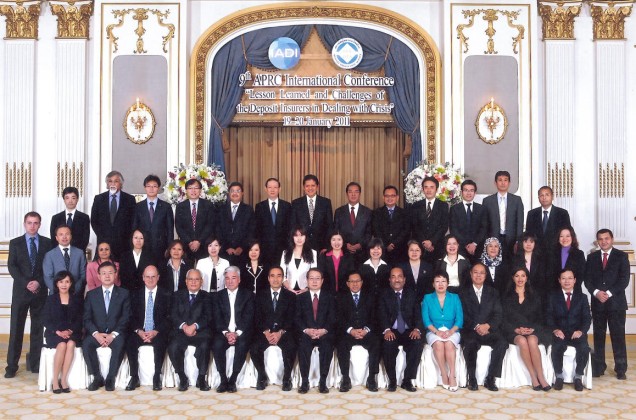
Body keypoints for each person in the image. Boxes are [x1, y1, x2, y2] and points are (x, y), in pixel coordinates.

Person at [6, 212, 51, 378]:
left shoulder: (47, 243)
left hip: (40, 292)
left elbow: (48, 266)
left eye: (36, 223)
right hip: (21, 292)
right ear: (24, 224)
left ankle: (36, 363)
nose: (32, 226)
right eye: (29, 223)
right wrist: (26, 282)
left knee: (37, 330)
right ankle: (11, 366)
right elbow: (12, 266)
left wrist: (38, 282)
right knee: (16, 329)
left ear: (40, 224)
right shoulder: (15, 243)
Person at [584, 228, 630, 380]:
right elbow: (587, 280)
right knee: (598, 336)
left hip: (616, 304)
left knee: (618, 337)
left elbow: (624, 280)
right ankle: (599, 366)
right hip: (598, 303)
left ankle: (621, 368)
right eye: (600, 239)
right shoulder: (591, 257)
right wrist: (596, 292)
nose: (603, 241)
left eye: (606, 238)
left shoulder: (621, 256)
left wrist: (608, 293)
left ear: (612, 239)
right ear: (597, 241)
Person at [83, 261, 131, 391]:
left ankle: (111, 377)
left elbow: (125, 317)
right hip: (97, 333)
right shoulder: (91, 295)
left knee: (120, 343)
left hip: (115, 334)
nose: (107, 276)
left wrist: (113, 335)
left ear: (115, 274)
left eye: (110, 273)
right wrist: (96, 334)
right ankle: (97, 377)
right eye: (104, 273)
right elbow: (86, 318)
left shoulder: (124, 294)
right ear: (98, 276)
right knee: (87, 344)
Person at [502, 267, 552, 391]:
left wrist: (532, 329)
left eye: (523, 276)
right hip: (513, 331)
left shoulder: (535, 295)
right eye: (517, 276)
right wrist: (516, 330)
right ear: (513, 278)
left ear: (527, 278)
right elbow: (503, 319)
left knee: (532, 341)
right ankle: (533, 377)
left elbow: (541, 318)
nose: (520, 279)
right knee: (522, 341)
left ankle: (541, 377)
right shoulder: (506, 296)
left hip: (532, 330)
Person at [459, 263, 507, 392]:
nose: (478, 275)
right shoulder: (462, 292)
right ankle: (472, 378)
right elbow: (462, 314)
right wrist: (476, 326)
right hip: (471, 330)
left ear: (486, 275)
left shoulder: (493, 292)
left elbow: (498, 313)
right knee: (470, 344)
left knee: (502, 343)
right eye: (475, 272)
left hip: (488, 329)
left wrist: (488, 326)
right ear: (471, 274)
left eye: (482, 273)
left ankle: (490, 378)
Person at [125, 265, 172, 391]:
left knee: (161, 342)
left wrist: (156, 331)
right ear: (143, 278)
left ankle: (157, 376)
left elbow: (169, 317)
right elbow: (130, 316)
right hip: (140, 331)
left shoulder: (166, 294)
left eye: (153, 277)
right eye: (147, 277)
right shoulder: (135, 294)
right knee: (129, 342)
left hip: (157, 332)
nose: (150, 279)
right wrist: (139, 331)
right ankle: (134, 377)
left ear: (158, 278)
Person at [378, 267, 425, 392]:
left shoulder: (412, 294)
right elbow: (381, 315)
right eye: (393, 276)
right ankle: (392, 381)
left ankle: (407, 380)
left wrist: (417, 329)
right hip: (392, 330)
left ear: (404, 279)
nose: (396, 279)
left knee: (417, 343)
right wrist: (386, 330)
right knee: (388, 344)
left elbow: (418, 314)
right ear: (389, 280)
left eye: (399, 276)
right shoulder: (384, 294)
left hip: (408, 330)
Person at [251, 266, 297, 391]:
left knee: (291, 346)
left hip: (283, 332)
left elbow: (292, 319)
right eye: (272, 276)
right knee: (254, 348)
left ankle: (286, 378)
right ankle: (262, 376)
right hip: (265, 332)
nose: (275, 279)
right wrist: (266, 332)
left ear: (283, 278)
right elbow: (257, 317)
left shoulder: (290, 296)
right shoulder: (260, 295)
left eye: (279, 276)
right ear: (268, 278)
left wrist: (280, 333)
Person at [546, 269, 591, 392]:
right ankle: (559, 376)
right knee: (557, 347)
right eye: (564, 278)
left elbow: (587, 318)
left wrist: (581, 331)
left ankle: (578, 377)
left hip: (576, 332)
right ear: (559, 280)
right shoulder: (553, 296)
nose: (567, 281)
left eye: (570, 278)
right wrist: (555, 330)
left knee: (584, 348)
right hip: (560, 332)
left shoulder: (582, 297)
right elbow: (548, 316)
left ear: (575, 280)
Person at [168, 269, 213, 391]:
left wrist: (195, 326)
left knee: (205, 346)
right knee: (173, 347)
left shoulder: (207, 296)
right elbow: (173, 315)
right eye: (190, 279)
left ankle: (201, 378)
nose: (193, 282)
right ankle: (182, 378)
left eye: (197, 279)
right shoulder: (177, 295)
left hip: (200, 332)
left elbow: (208, 316)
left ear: (201, 281)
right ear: (186, 281)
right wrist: (184, 326)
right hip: (182, 331)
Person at [212, 266, 255, 393]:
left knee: (242, 345)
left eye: (233, 278)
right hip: (223, 332)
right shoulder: (218, 296)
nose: (230, 281)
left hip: (241, 332)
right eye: (227, 278)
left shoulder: (248, 295)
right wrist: (227, 333)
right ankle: (223, 379)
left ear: (239, 280)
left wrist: (236, 333)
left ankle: (233, 379)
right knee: (217, 344)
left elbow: (249, 317)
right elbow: (217, 318)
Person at [336, 272, 380, 392]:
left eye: (357, 281)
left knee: (376, 343)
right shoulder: (340, 297)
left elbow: (375, 317)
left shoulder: (370, 297)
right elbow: (339, 318)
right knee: (341, 344)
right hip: (349, 332)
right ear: (347, 283)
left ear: (361, 282)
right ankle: (345, 379)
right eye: (352, 281)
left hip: (365, 332)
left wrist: (365, 330)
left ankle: (372, 378)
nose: (355, 284)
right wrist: (351, 330)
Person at [295, 268, 336, 394]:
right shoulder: (300, 297)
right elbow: (296, 317)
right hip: (307, 333)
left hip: (323, 332)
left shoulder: (329, 297)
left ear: (322, 281)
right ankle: (305, 381)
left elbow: (333, 317)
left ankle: (323, 381)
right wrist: (307, 330)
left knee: (327, 345)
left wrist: (324, 330)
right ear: (306, 280)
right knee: (303, 345)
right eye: (311, 278)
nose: (314, 281)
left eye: (317, 278)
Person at [422, 271, 463, 391]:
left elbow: (459, 320)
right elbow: (426, 320)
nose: (440, 284)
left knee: (449, 344)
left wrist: (451, 332)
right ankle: (444, 374)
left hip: (452, 331)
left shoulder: (455, 298)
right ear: (433, 284)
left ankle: (452, 375)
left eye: (443, 281)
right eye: (437, 281)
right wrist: (437, 332)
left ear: (448, 283)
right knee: (439, 344)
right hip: (433, 331)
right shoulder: (427, 298)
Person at [42, 271, 82, 393]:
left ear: (71, 284)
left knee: (70, 344)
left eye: (67, 281)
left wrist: (70, 331)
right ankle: (55, 380)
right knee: (62, 344)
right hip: (54, 333)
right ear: (57, 284)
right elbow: (45, 319)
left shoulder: (76, 299)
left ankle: (63, 380)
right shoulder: (50, 299)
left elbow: (80, 319)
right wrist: (58, 332)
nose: (64, 284)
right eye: (61, 282)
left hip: (72, 332)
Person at [90, 170, 136, 259]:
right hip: (104, 244)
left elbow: (133, 221)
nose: (113, 184)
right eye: (110, 181)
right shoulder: (99, 199)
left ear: (121, 184)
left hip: (124, 244)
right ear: (107, 184)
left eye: (116, 181)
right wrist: (103, 236)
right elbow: (94, 221)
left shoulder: (129, 199)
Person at [132, 175, 174, 263]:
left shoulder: (166, 207)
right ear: (145, 188)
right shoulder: (138, 207)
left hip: (161, 247)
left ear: (158, 188)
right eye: (148, 186)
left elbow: (170, 230)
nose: (151, 189)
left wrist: (169, 248)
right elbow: (134, 228)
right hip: (143, 246)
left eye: (154, 186)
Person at [482, 170, 524, 258]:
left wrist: (518, 241)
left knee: (510, 264)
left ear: (509, 183)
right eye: (500, 180)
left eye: (505, 180)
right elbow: (485, 223)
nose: (503, 183)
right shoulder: (487, 201)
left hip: (511, 240)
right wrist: (487, 240)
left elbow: (519, 222)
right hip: (493, 240)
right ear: (495, 183)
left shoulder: (516, 200)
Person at [174, 178, 216, 260]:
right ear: (186, 190)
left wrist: (198, 241)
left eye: (196, 188)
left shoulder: (208, 205)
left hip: (204, 244)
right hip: (186, 245)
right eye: (190, 188)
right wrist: (189, 242)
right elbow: (179, 226)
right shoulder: (180, 206)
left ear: (200, 190)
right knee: (187, 270)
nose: (193, 191)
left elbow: (210, 225)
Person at [410, 176, 449, 262]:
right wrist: (424, 242)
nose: (429, 190)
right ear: (422, 189)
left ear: (436, 189)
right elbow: (414, 225)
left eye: (432, 187)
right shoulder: (416, 205)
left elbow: (444, 226)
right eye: (426, 187)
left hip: (437, 246)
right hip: (419, 246)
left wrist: (432, 241)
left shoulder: (443, 206)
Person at [290, 174, 333, 252]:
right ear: (304, 187)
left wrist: (327, 246)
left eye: (313, 185)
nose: (310, 188)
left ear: (317, 186)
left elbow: (329, 226)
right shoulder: (296, 203)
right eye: (307, 186)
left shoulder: (326, 202)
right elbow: (293, 226)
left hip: (321, 248)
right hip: (301, 246)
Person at [254, 177, 292, 266]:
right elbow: (257, 229)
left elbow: (290, 228)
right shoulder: (259, 207)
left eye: (275, 187)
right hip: (265, 249)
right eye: (270, 187)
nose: (272, 190)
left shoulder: (287, 206)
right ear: (265, 189)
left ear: (279, 189)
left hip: (283, 248)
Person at [333, 182, 373, 266]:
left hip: (362, 254)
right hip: (343, 253)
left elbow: (369, 233)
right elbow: (336, 232)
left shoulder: (367, 212)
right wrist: (344, 244)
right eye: (350, 192)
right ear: (347, 194)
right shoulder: (339, 211)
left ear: (360, 193)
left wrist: (360, 244)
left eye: (356, 191)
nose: (353, 194)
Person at [216, 182, 255, 266]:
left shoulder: (248, 209)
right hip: (224, 251)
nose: (235, 193)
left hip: (242, 252)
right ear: (229, 193)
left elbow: (251, 231)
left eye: (238, 191)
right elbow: (217, 229)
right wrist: (226, 247)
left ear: (242, 193)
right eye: (232, 191)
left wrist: (242, 247)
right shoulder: (221, 209)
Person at [524, 186, 571, 256]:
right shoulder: (531, 214)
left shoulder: (562, 213)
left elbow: (567, 234)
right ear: (538, 198)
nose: (544, 198)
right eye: (541, 195)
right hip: (537, 254)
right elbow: (528, 235)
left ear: (552, 197)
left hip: (556, 253)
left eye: (547, 195)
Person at [449, 180, 487, 262]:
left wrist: (474, 244)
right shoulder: (454, 209)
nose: (468, 193)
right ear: (461, 192)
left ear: (475, 193)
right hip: (461, 248)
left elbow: (484, 228)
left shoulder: (482, 209)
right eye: (466, 190)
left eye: (471, 190)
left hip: (478, 248)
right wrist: (467, 245)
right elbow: (453, 229)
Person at [43, 225, 87, 295]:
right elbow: (48, 277)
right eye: (61, 234)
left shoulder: (80, 253)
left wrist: (74, 289)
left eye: (67, 234)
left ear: (71, 236)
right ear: (56, 238)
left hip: (76, 294)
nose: (64, 237)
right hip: (56, 295)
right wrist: (59, 291)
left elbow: (83, 275)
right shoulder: (49, 255)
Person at [372, 185, 409, 265]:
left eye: (392, 196)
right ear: (383, 197)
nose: (389, 198)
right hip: (383, 251)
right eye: (387, 196)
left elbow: (405, 231)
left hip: (400, 252)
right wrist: (386, 245)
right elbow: (376, 231)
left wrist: (394, 244)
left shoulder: (404, 213)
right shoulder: (376, 213)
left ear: (397, 197)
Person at [50, 186, 90, 253]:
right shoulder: (56, 218)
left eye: (73, 198)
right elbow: (54, 239)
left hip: (78, 254)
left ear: (77, 199)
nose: (70, 201)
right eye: (67, 198)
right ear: (64, 200)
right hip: (59, 254)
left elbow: (85, 239)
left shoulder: (84, 218)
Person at [280, 226, 317, 294]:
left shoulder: (313, 253)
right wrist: (289, 288)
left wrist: (306, 289)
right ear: (292, 237)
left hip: (306, 291)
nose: (299, 238)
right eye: (296, 236)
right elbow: (281, 274)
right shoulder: (285, 253)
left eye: (302, 235)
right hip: (288, 290)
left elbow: (314, 275)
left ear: (305, 237)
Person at [317, 230, 355, 294]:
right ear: (330, 241)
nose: (336, 242)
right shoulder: (324, 256)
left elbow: (351, 275)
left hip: (345, 293)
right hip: (327, 293)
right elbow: (320, 275)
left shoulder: (349, 257)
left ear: (343, 241)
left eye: (339, 239)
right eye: (333, 239)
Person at [549, 226, 586, 293]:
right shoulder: (551, 253)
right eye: (561, 236)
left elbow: (581, 275)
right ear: (558, 238)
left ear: (572, 237)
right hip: (554, 292)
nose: (564, 239)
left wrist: (569, 288)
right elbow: (549, 274)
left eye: (568, 236)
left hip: (573, 292)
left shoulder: (579, 254)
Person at [513, 233, 548, 300]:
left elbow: (542, 279)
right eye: (525, 241)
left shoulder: (541, 259)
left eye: (531, 242)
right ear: (521, 243)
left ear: (535, 244)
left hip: (537, 293)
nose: (528, 244)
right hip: (519, 292)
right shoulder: (515, 258)